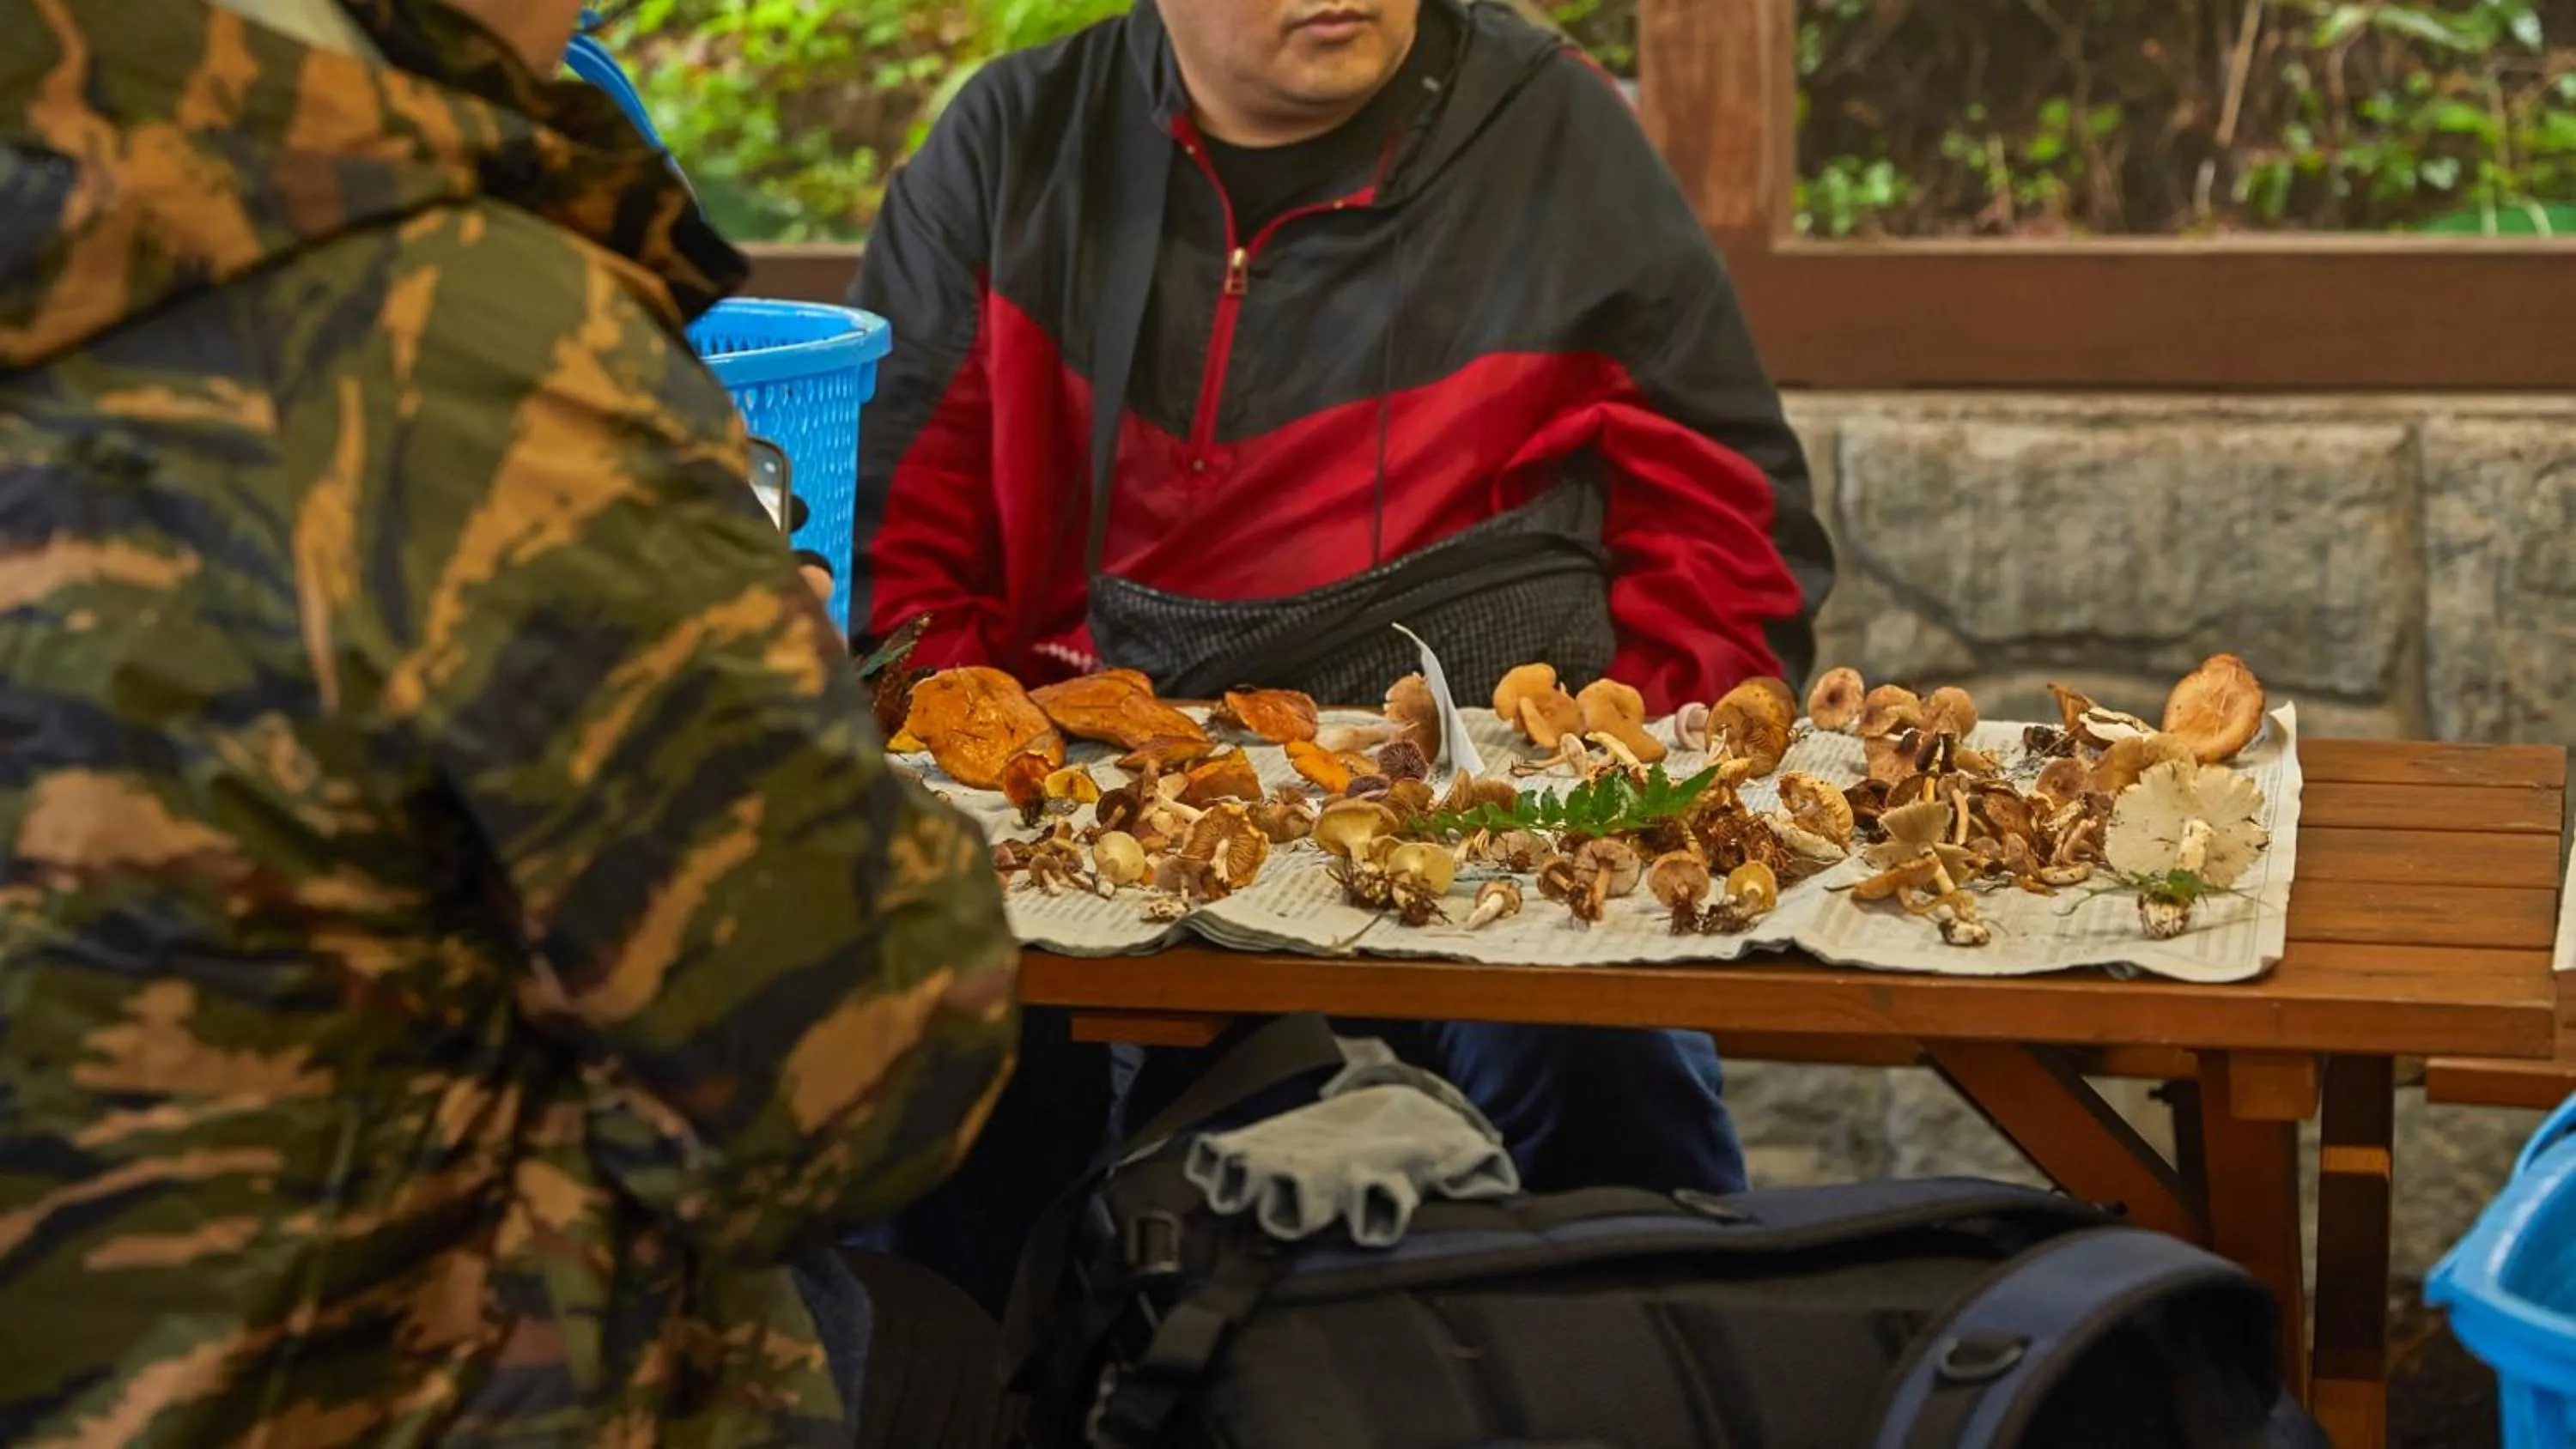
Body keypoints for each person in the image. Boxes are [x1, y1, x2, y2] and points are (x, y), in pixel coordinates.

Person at [0, 1, 1018, 1444]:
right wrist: (783, 688)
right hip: (379, 1377)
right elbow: (853, 1084)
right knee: (952, 1346)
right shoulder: (459, 330)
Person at [850, 0, 1833, 1315]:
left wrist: (1600, 789)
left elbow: (1733, 542)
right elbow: (896, 561)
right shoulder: (1012, 145)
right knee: (934, 1086)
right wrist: (1030, 789)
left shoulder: (1549, 130)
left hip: (1485, 809)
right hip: (1092, 804)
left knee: (1604, 1076)